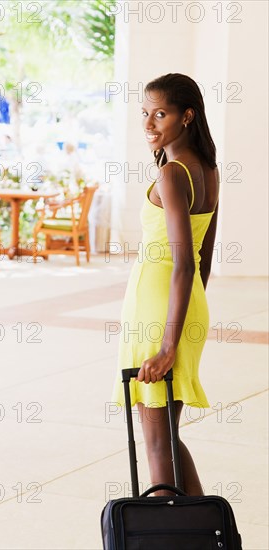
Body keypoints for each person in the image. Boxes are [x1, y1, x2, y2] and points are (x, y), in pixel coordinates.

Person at [111, 73, 220, 496]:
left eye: (161, 113)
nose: (149, 124)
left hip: (158, 314)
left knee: (157, 440)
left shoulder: (173, 174)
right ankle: (207, 534)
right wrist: (190, 311)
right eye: (145, 113)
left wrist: (168, 343)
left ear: (186, 116)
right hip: (183, 306)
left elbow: (183, 264)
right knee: (167, 436)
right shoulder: (207, 169)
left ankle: (168, 535)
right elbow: (202, 258)